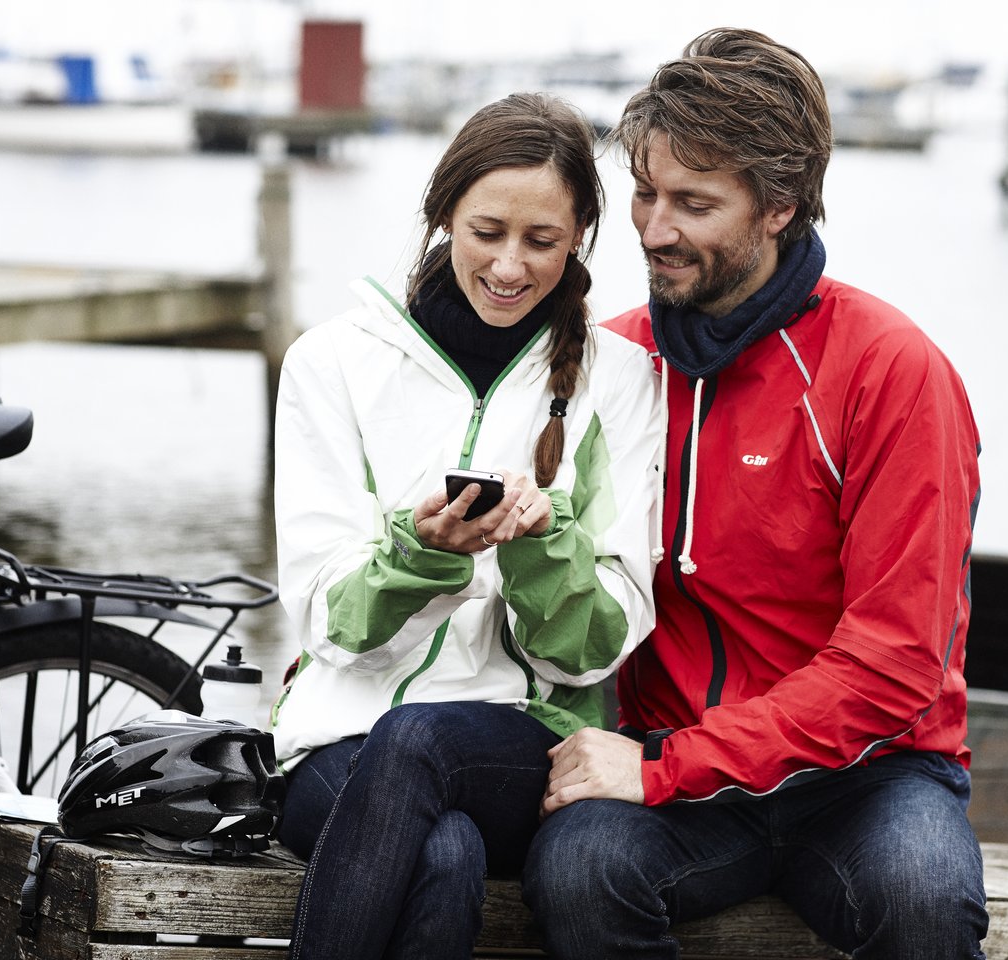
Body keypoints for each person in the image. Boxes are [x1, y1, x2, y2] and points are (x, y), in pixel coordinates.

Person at [523, 28, 990, 960]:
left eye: (693, 204)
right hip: (678, 773)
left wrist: (666, 767)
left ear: (779, 205)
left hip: (872, 778)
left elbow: (896, 662)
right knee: (576, 872)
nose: (654, 230)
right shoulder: (615, 364)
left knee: (924, 899)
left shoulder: (891, 371)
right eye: (646, 195)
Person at [268, 92, 661, 960]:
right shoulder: (331, 363)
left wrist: (536, 545)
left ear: (581, 241)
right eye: (488, 231)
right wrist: (417, 555)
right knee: (444, 857)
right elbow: (325, 623)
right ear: (442, 212)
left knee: (421, 740)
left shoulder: (622, 382)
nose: (510, 267)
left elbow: (594, 653)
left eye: (543, 241)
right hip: (337, 739)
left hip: (524, 744)